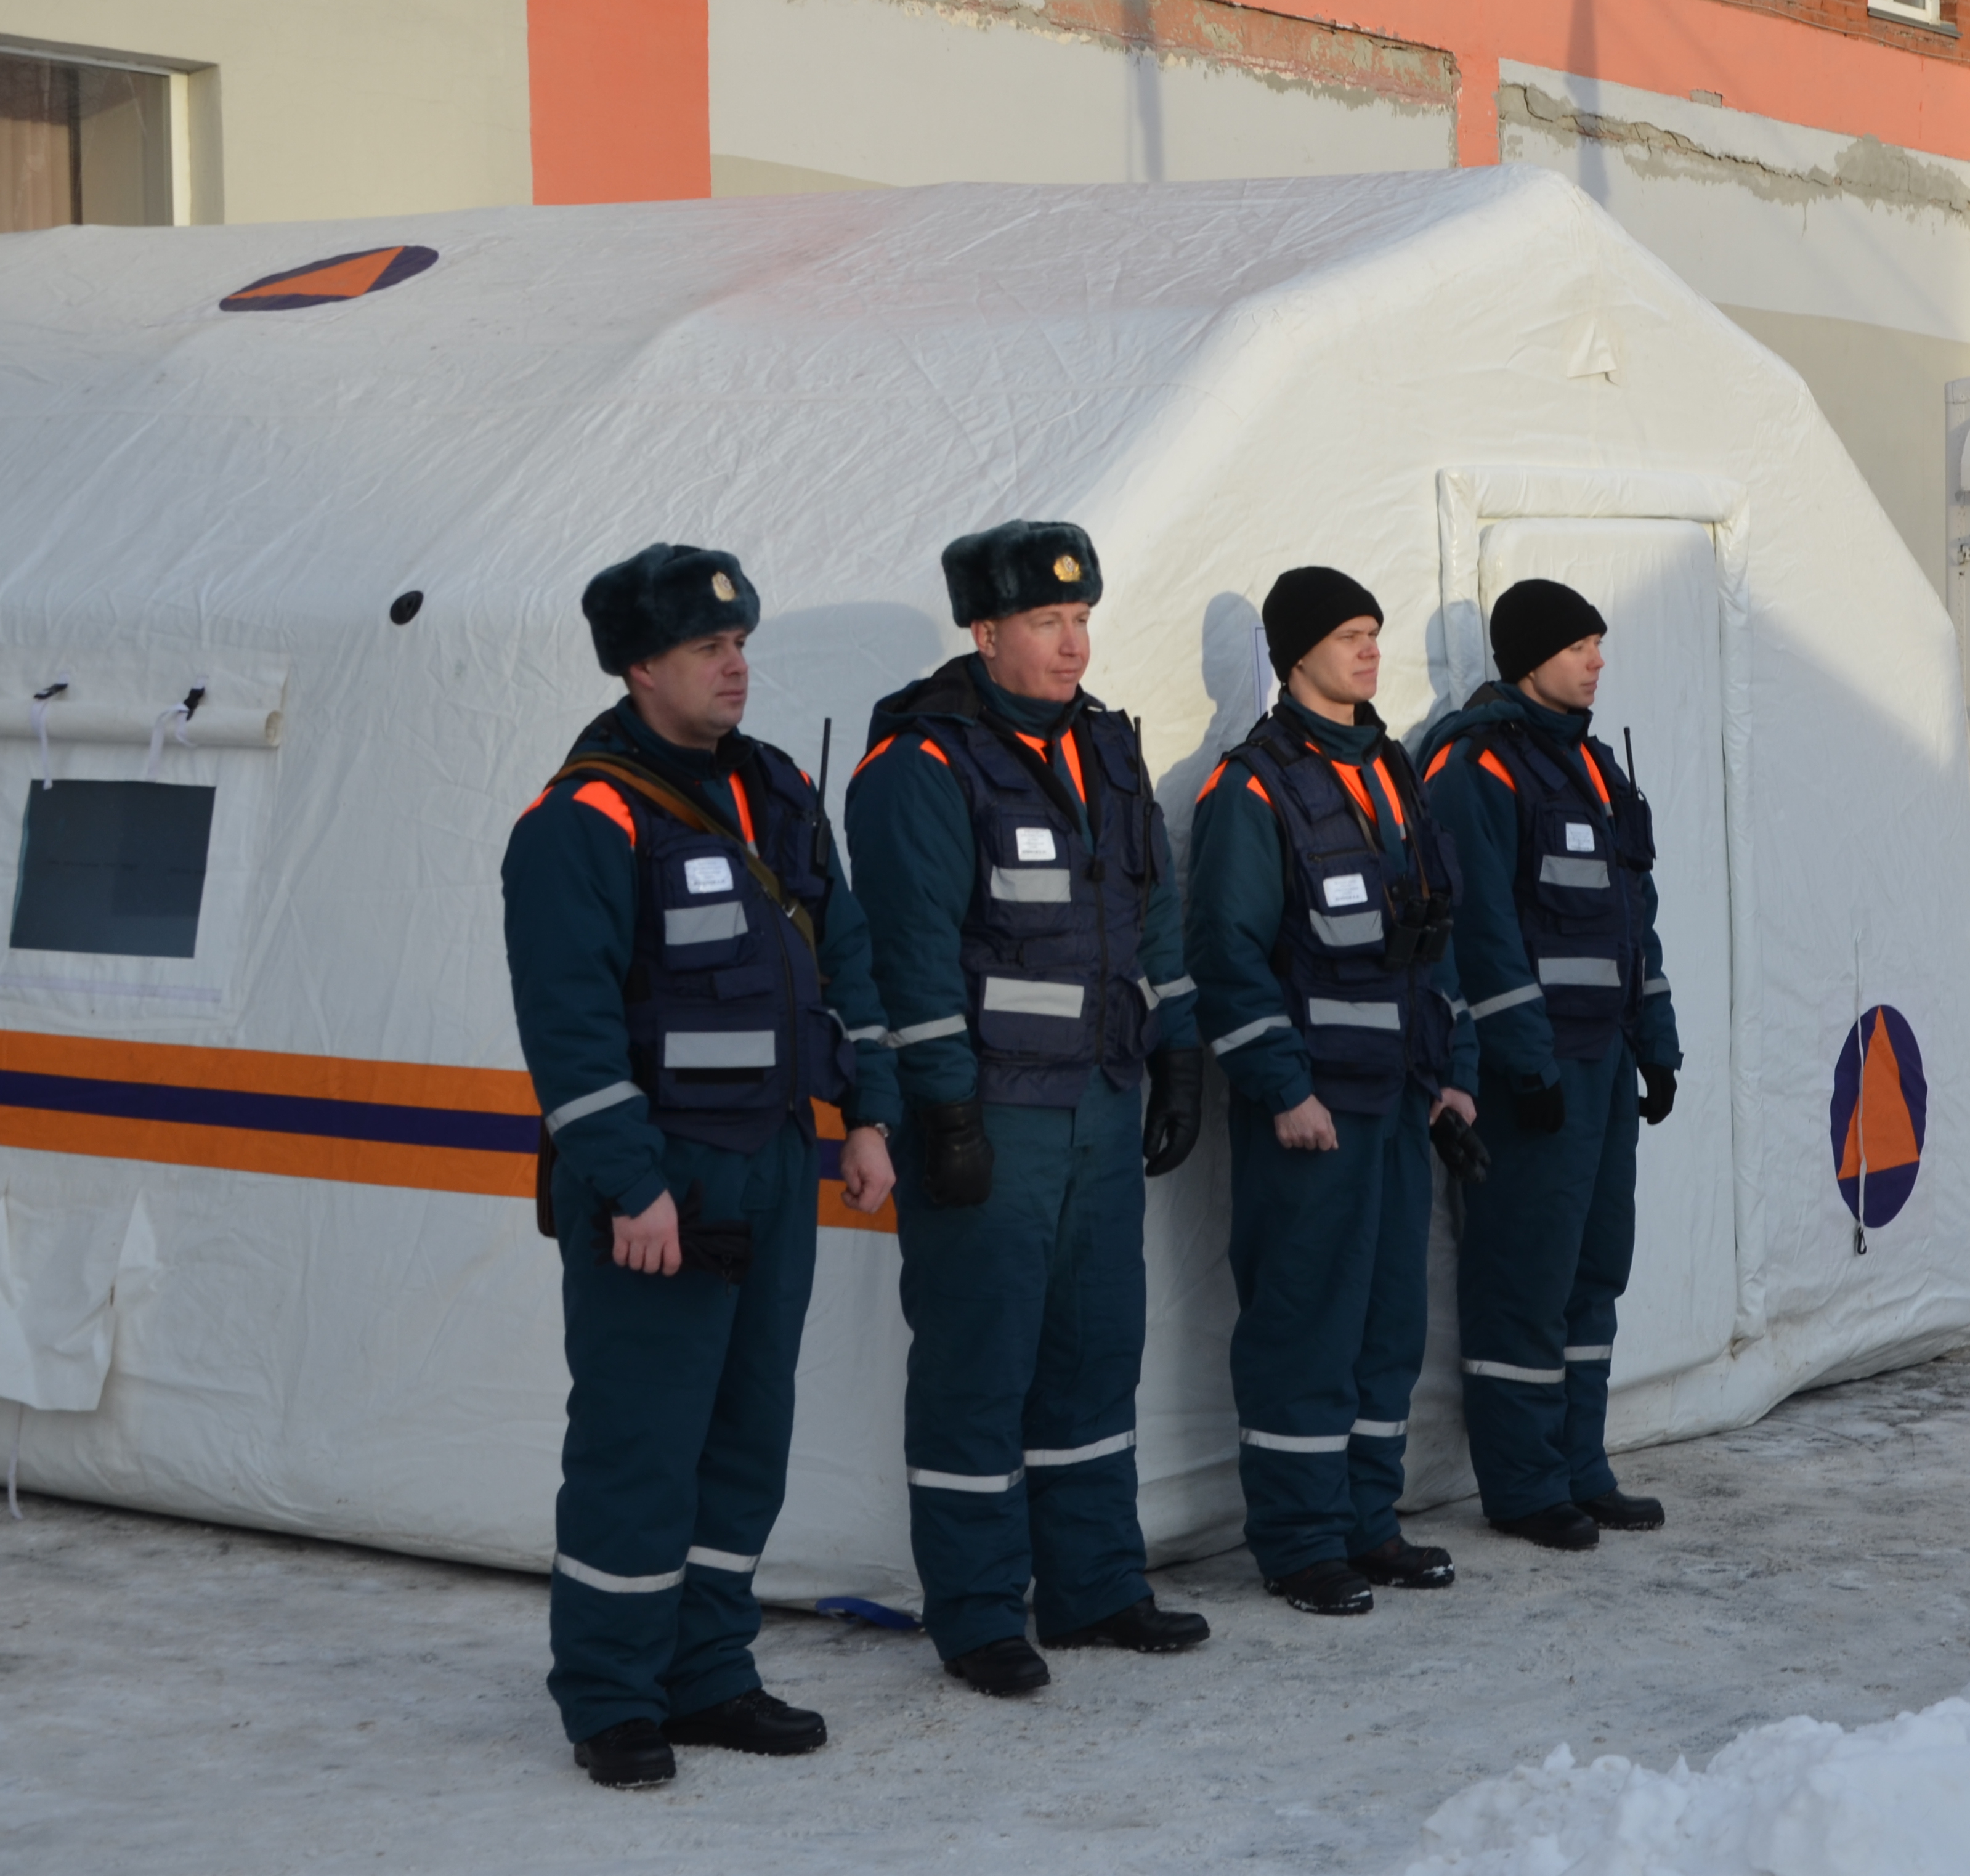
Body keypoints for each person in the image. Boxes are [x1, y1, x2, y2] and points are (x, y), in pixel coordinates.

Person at [502, 543, 902, 1789]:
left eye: (739, 645)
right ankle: (613, 1693)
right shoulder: (582, 821)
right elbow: (567, 1028)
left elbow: (847, 961)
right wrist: (629, 1182)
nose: (736, 666)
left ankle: (708, 1671)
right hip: (661, 1177)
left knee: (745, 1433)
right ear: (639, 667)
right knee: (639, 1439)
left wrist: (871, 1113)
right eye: (705, 650)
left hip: (774, 1161)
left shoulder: (776, 787)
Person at [846, 519, 1210, 1698]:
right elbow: (906, 958)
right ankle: (979, 1611)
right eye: (1048, 623)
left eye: (1083, 620)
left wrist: (1181, 1050)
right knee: (978, 1365)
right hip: (992, 1117)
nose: (1074, 644)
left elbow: (1149, 913)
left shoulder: (1107, 751)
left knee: (1095, 1355)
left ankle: (1095, 1586)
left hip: (1100, 1104)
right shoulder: (922, 764)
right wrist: (942, 1114)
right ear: (986, 631)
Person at [1185, 566, 1482, 1617]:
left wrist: (1454, 1076)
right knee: (1304, 1325)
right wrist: (1281, 1088)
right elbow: (1227, 955)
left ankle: (1367, 1522)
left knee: (1388, 1325)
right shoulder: (1253, 786)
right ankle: (1300, 1543)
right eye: (1350, 635)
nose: (1369, 651)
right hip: (1312, 1116)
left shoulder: (1393, 772)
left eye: (1374, 634)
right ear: (1295, 650)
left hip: (1398, 1105)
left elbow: (1431, 946)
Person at [1417, 579, 1681, 1551]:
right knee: (1523, 1276)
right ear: (1527, 659)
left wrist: (1658, 1044)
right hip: (1532, 1074)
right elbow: (1478, 933)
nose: (1597, 661)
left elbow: (1631, 927)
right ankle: (1525, 1485)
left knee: (1593, 1269)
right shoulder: (1474, 769)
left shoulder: (1598, 771)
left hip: (1605, 1066)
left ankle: (1581, 1461)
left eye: (1599, 645)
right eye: (1579, 646)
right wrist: (1520, 1064)